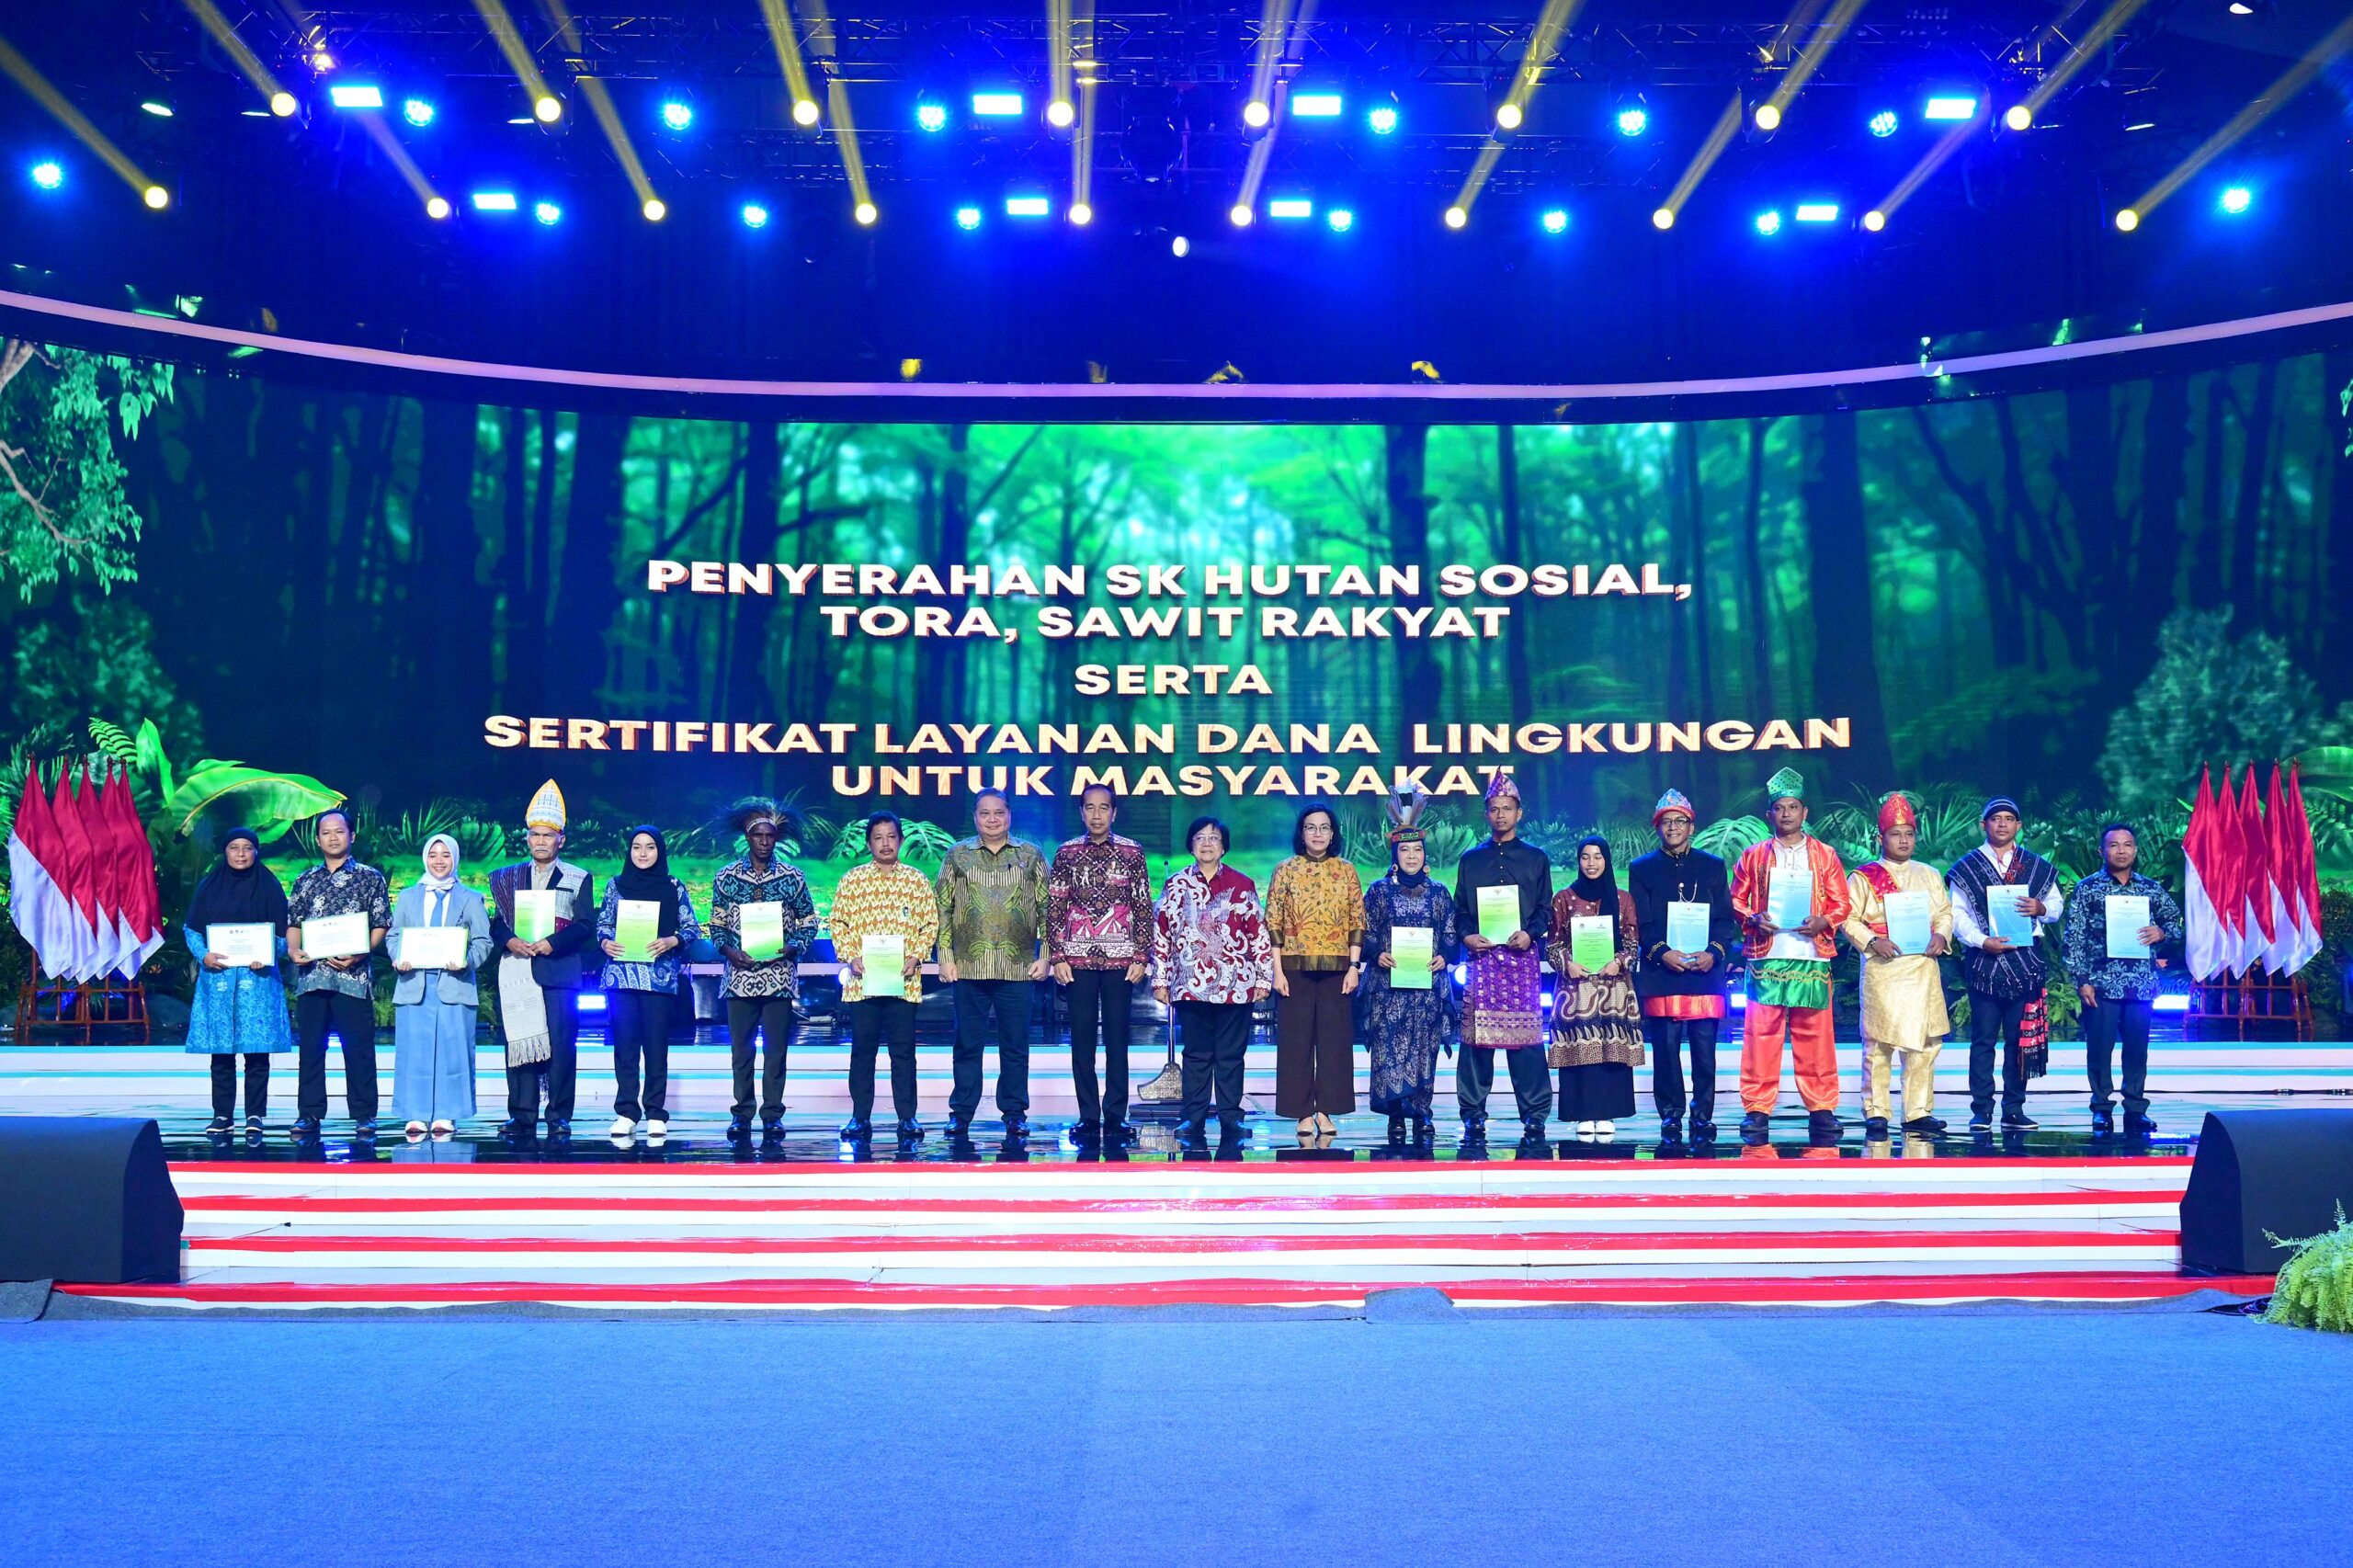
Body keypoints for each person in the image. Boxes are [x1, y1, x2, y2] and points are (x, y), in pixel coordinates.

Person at [1729, 767, 1852, 1144]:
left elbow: (1842, 903)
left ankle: (1822, 1107)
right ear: (1769, 814)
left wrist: (1823, 921)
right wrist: (1753, 918)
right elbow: (1736, 899)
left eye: (1793, 807)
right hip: (1766, 956)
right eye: (1779, 808)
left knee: (1815, 1036)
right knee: (1760, 1035)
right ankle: (1757, 1109)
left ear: (1804, 812)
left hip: (1811, 956)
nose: (1786, 814)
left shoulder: (1825, 855)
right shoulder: (1753, 856)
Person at [1150, 816, 1274, 1144]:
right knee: (1196, 1054)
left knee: (1231, 1055)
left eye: (1214, 838)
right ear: (1191, 845)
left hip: (1237, 984)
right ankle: (1193, 1117)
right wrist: (1160, 979)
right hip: (1190, 985)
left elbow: (1258, 934)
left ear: (1224, 846)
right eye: (1200, 838)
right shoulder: (1175, 885)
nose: (1207, 843)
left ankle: (1231, 1117)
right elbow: (1161, 934)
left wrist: (1264, 978)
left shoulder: (1242, 884)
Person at [935, 788, 1049, 1141]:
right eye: (985, 813)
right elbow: (943, 908)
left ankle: (1014, 1113)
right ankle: (961, 1113)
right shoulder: (958, 855)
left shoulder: (1030, 855)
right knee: (967, 1045)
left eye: (999, 812)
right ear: (975, 817)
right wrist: (945, 956)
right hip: (969, 966)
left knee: (1015, 1046)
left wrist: (1046, 955)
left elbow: (1047, 909)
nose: (992, 819)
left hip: (1018, 967)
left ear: (1009, 815)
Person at [1839, 794, 1954, 1142]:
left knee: (1924, 1042)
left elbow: (1944, 913)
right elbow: (1847, 918)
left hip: (1922, 966)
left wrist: (1941, 934)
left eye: (1909, 834)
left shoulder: (1929, 875)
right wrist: (1872, 940)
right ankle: (1876, 1111)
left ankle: (1918, 1111)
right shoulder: (1863, 877)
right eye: (1895, 834)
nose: (1903, 841)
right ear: (1881, 838)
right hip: (1883, 967)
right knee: (1879, 1043)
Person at [488, 780, 598, 1141]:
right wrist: (511, 940)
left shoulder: (578, 877)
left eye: (547, 836)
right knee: (520, 1043)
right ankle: (521, 1115)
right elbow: (496, 924)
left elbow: (585, 925)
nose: (540, 841)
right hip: (518, 968)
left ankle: (558, 1115)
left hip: (559, 970)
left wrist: (552, 943)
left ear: (560, 840)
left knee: (562, 1044)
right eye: (534, 835)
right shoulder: (508, 877)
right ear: (527, 838)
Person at [1626, 790, 1737, 1143]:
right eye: (1666, 822)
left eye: (1680, 821)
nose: (1673, 827)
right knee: (1666, 1052)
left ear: (1692, 826)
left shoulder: (1712, 866)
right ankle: (1671, 1116)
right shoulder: (1642, 868)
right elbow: (1641, 923)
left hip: (1705, 972)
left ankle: (1702, 1116)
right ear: (1657, 827)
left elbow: (1725, 919)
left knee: (1704, 1052)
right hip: (1663, 972)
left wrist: (1713, 953)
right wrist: (1662, 953)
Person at [1947, 796, 2063, 1134]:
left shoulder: (2035, 865)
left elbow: (2056, 906)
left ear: (2018, 826)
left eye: (2008, 819)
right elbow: (1957, 914)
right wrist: (1981, 940)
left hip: (2025, 963)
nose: (2002, 824)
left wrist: (2041, 908)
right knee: (1983, 1041)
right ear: (1983, 825)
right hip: (1985, 961)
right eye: (1995, 818)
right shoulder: (1968, 866)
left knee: (2019, 1041)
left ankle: (2014, 1109)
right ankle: (1981, 1111)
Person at [1046, 784, 1154, 1145]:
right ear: (1081, 812)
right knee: (1082, 1040)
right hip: (1076, 959)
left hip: (1122, 960)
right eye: (1089, 808)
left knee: (1117, 1039)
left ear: (1114, 812)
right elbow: (1056, 906)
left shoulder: (1132, 852)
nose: (1096, 815)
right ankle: (1088, 1116)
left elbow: (1142, 905)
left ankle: (1116, 1115)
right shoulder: (1067, 853)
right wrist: (1057, 956)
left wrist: (1142, 955)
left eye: (1103, 808)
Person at [2063, 823, 2184, 1140]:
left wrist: (2162, 932)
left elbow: (2176, 923)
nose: (2121, 851)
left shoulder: (2150, 888)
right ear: (2102, 851)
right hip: (2101, 983)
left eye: (2127, 845)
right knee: (2099, 1049)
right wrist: (2082, 979)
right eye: (2114, 845)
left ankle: (2135, 1108)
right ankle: (2102, 1108)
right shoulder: (2088, 888)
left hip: (2141, 983)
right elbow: (2074, 937)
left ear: (2135, 850)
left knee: (2137, 1050)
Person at [708, 799, 818, 1142]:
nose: (765, 842)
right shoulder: (726, 877)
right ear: (748, 837)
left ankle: (772, 1114)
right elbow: (717, 925)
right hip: (739, 977)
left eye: (770, 836)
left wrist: (794, 946)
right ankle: (742, 1113)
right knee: (741, 1051)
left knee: (776, 1050)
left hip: (779, 977)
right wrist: (729, 951)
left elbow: (809, 922)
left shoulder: (792, 877)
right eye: (759, 836)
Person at [1453, 772, 1554, 1143]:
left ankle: (1535, 1114)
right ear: (1487, 814)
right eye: (1494, 809)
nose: (1500, 815)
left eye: (1507, 809)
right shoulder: (1471, 860)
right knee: (1476, 1041)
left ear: (1519, 813)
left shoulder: (1536, 858)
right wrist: (1467, 935)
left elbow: (1545, 909)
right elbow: (1460, 910)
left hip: (1521, 958)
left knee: (1526, 1041)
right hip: (1481, 959)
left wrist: (1530, 933)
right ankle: (1473, 1114)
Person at [829, 812, 940, 1143]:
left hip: (903, 983)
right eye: (878, 838)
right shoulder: (852, 880)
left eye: (891, 836)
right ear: (869, 843)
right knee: (862, 1051)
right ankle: (859, 1117)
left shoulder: (916, 881)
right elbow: (838, 923)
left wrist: (917, 955)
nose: (885, 843)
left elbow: (930, 924)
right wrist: (851, 955)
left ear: (901, 840)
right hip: (862, 984)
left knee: (903, 1052)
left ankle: (907, 1117)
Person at [283, 807, 392, 1138]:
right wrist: (293, 950)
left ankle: (364, 1114)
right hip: (312, 978)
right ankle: (309, 1114)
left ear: (352, 836)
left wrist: (360, 953)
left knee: (358, 1049)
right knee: (311, 1049)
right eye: (326, 832)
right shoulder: (305, 880)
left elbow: (381, 923)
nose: (333, 837)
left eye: (339, 831)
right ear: (318, 840)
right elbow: (294, 923)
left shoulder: (370, 878)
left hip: (353, 979)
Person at [1359, 790, 1457, 1144]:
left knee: (1424, 1050)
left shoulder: (1439, 892)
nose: (1412, 856)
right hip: (1389, 987)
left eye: (1417, 850)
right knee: (1390, 1049)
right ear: (1395, 855)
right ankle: (1396, 1116)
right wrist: (1376, 954)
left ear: (1425, 854)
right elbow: (1365, 931)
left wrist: (1445, 955)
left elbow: (1450, 932)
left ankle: (1422, 1112)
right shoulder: (1379, 891)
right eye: (1405, 850)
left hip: (1427, 986)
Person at [183, 826, 292, 1141]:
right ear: (225, 851)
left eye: (247, 848)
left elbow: (286, 932)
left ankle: (255, 1115)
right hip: (218, 980)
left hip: (257, 983)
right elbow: (192, 929)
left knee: (257, 1054)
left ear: (257, 851)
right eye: (235, 847)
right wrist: (204, 955)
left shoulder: (269, 886)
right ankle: (222, 1115)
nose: (241, 854)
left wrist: (268, 953)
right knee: (221, 1054)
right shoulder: (210, 886)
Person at [596, 825, 701, 1142]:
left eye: (650, 847)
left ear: (660, 851)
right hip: (622, 975)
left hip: (658, 977)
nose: (643, 853)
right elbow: (603, 923)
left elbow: (691, 928)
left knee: (656, 1046)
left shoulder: (673, 886)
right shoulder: (615, 885)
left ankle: (655, 1112)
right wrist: (605, 942)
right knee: (625, 1046)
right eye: (637, 847)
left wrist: (672, 940)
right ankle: (627, 1112)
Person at [1266, 802, 1365, 1138]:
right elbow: (1273, 922)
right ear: (1302, 833)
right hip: (1293, 967)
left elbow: (1357, 921)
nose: (1318, 834)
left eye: (1324, 828)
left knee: (1335, 1042)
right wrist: (1277, 971)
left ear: (1333, 834)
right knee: (1296, 1043)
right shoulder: (1286, 870)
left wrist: (1354, 967)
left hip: (1338, 969)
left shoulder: (1346, 870)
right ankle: (1302, 1113)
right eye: (1311, 827)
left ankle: (1326, 1110)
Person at [389, 834, 492, 1138]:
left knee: (453, 1051)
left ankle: (448, 1113)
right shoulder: (407, 897)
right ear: (425, 858)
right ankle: (415, 1113)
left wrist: (466, 961)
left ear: (455, 859)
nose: (439, 861)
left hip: (454, 984)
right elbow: (394, 936)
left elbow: (484, 941)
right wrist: (398, 957)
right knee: (414, 1051)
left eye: (446, 855)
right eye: (433, 854)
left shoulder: (471, 898)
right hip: (414, 984)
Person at [1547, 835, 1644, 1140]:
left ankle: (1608, 1113)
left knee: (1611, 1050)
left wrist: (1619, 961)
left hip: (1614, 987)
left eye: (1598, 856)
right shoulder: (1564, 898)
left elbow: (1632, 944)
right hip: (1576, 989)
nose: (1591, 863)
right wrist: (1567, 963)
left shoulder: (1623, 899)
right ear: (1578, 861)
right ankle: (1582, 1112)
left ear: (1607, 860)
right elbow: (1552, 945)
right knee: (1579, 1049)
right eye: (1585, 857)